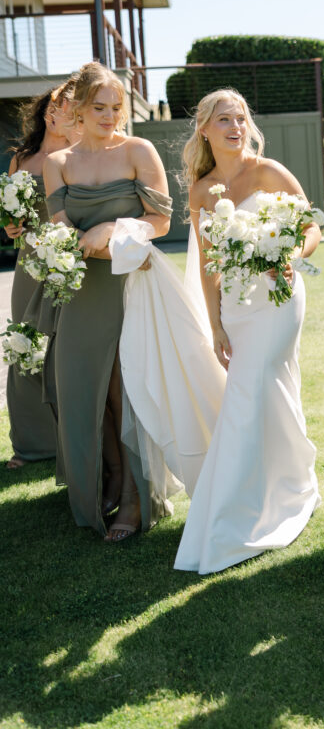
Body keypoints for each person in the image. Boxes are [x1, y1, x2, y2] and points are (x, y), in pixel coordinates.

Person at [174, 88, 321, 574]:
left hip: (279, 298)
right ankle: (294, 479)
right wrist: (215, 322)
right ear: (205, 129)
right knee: (271, 392)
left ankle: (226, 520)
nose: (235, 127)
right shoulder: (200, 191)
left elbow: (311, 226)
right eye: (224, 120)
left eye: (240, 118)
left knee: (249, 391)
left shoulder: (269, 171)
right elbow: (209, 264)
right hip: (237, 307)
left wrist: (292, 257)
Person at [43, 62, 173, 541]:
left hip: (130, 283)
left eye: (117, 107)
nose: (109, 116)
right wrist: (75, 240)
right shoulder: (59, 163)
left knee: (124, 387)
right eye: (99, 107)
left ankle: (137, 495)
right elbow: (59, 226)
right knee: (85, 391)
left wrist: (109, 229)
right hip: (79, 289)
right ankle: (108, 476)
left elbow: (160, 224)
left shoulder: (138, 149)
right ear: (77, 108)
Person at [4, 80, 78, 469]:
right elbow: (13, 215)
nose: (57, 111)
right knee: (25, 344)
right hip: (28, 263)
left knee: (65, 348)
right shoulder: (22, 159)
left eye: (67, 106)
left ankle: (72, 435)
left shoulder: (81, 157)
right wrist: (11, 227)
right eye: (54, 103)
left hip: (68, 264)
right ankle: (32, 445)